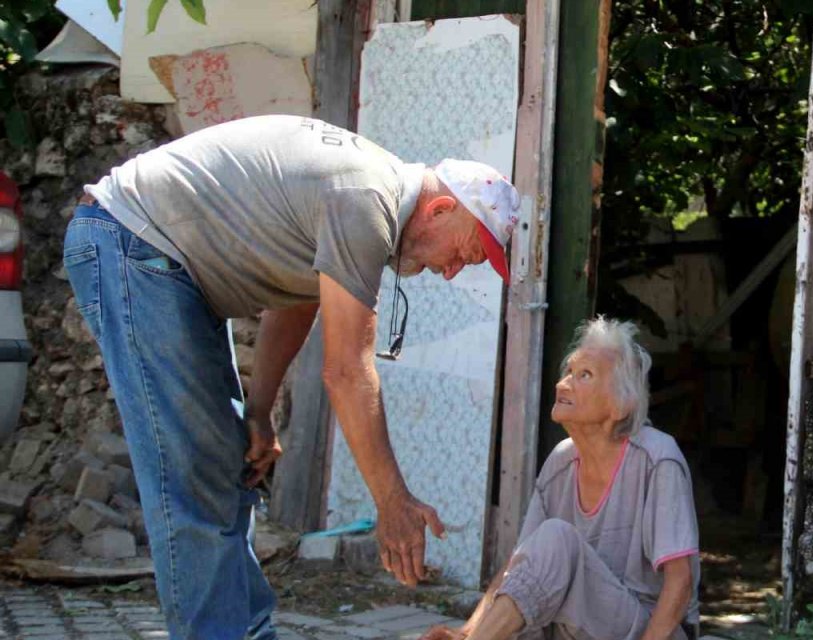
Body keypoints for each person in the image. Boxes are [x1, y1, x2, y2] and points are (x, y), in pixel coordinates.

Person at [61, 114, 520, 640]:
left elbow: (294, 300)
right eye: (464, 253)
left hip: (160, 262)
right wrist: (392, 501)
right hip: (131, 242)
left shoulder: (367, 197)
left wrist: (258, 411)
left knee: (228, 467)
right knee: (194, 477)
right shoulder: (365, 200)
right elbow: (347, 371)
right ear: (440, 209)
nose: (452, 271)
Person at [423, 317, 700, 640]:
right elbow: (519, 568)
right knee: (524, 603)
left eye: (585, 375)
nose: (563, 384)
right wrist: (466, 630)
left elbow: (680, 582)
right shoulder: (560, 462)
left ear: (621, 405)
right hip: (574, 627)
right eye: (568, 372)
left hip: (648, 630)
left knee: (557, 538)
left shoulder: (657, 458)